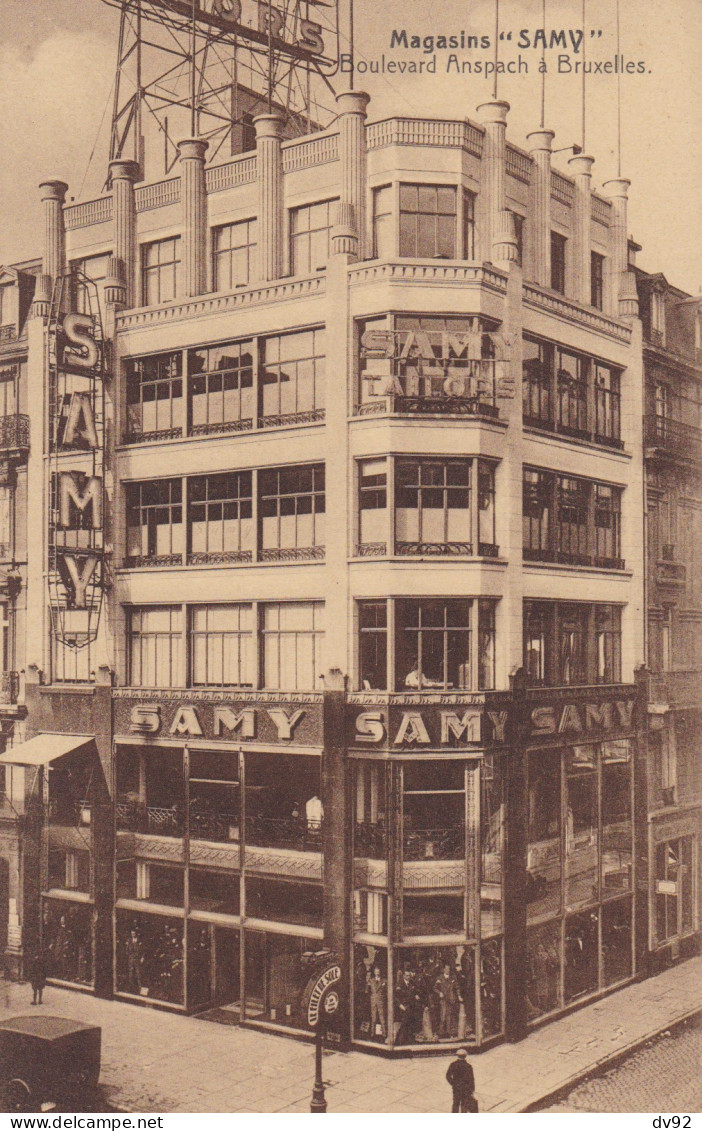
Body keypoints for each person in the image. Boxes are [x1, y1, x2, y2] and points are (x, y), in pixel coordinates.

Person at [446, 1047, 478, 1113]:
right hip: (465, 1088)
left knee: (455, 1103)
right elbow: (471, 1079)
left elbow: (448, 1076)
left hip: (456, 1088)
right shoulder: (468, 1066)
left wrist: (453, 1083)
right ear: (465, 1056)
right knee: (464, 1104)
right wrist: (472, 1089)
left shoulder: (453, 1064)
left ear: (457, 1055)